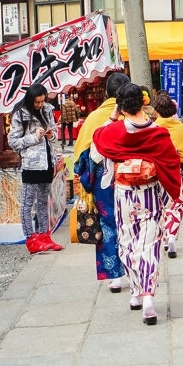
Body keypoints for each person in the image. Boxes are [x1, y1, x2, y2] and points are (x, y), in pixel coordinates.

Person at [92, 84, 182, 325]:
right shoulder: (157, 133)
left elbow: (97, 145)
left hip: (124, 193)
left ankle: (135, 291)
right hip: (149, 192)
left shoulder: (113, 131)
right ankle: (148, 296)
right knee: (150, 243)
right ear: (143, 103)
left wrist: (113, 117)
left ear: (121, 106)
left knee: (127, 242)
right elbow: (171, 161)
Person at [72, 72, 130, 293]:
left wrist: (86, 176)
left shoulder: (96, 117)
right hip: (132, 178)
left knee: (108, 225)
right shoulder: (133, 114)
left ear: (106, 93)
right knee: (132, 224)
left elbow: (81, 156)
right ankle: (135, 269)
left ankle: (114, 275)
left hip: (104, 181)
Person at [8, 84, 64, 252]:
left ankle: (44, 236)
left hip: (47, 161)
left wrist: (51, 135)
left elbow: (55, 135)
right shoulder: (20, 114)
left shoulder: (48, 110)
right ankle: (31, 239)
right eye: (37, 102)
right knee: (27, 202)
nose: (39, 104)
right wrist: (34, 137)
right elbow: (13, 142)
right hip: (31, 164)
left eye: (42, 101)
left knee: (43, 202)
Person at [152, 92, 183, 258]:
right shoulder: (180, 128)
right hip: (178, 170)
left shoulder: (155, 128)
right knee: (177, 204)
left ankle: (164, 235)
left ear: (157, 111)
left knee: (162, 205)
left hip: (160, 171)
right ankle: (171, 235)